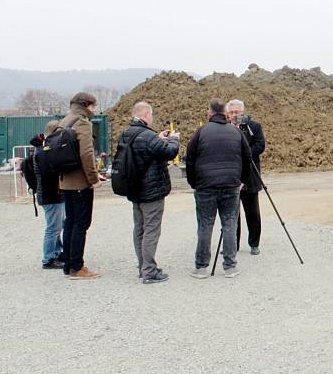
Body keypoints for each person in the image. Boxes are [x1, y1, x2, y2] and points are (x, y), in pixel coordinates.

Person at [185, 98, 251, 279]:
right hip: (231, 185)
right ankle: (230, 267)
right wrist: (241, 180)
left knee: (205, 225)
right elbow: (247, 158)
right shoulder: (236, 132)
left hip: (205, 187)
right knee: (230, 224)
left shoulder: (201, 132)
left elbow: (189, 159)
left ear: (210, 112)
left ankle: (201, 267)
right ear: (225, 112)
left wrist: (194, 183)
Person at [116, 101, 180, 284]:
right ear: (145, 115)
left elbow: (148, 149)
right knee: (151, 229)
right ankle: (150, 271)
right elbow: (169, 152)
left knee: (139, 229)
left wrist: (158, 138)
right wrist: (174, 138)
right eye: (150, 115)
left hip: (134, 188)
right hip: (151, 191)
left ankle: (143, 266)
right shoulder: (147, 135)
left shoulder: (127, 133)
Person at [59, 92, 106, 280]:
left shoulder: (65, 121)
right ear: (87, 105)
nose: (94, 110)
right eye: (93, 106)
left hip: (65, 181)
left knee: (69, 222)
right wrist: (94, 179)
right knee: (81, 224)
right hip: (80, 182)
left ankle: (68, 265)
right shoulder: (83, 123)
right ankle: (77, 267)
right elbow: (86, 154)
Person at [226, 99, 265, 255]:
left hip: (250, 175)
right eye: (232, 112)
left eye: (237, 112)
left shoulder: (253, 126)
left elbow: (260, 145)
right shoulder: (224, 128)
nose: (235, 115)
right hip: (231, 176)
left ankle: (254, 243)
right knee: (232, 214)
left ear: (243, 112)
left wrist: (245, 152)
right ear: (227, 114)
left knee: (253, 212)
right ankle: (232, 245)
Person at [29, 121, 65, 269]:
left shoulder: (42, 149)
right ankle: (48, 258)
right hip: (50, 194)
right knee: (53, 228)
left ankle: (56, 253)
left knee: (56, 225)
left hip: (51, 194)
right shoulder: (43, 151)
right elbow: (48, 173)